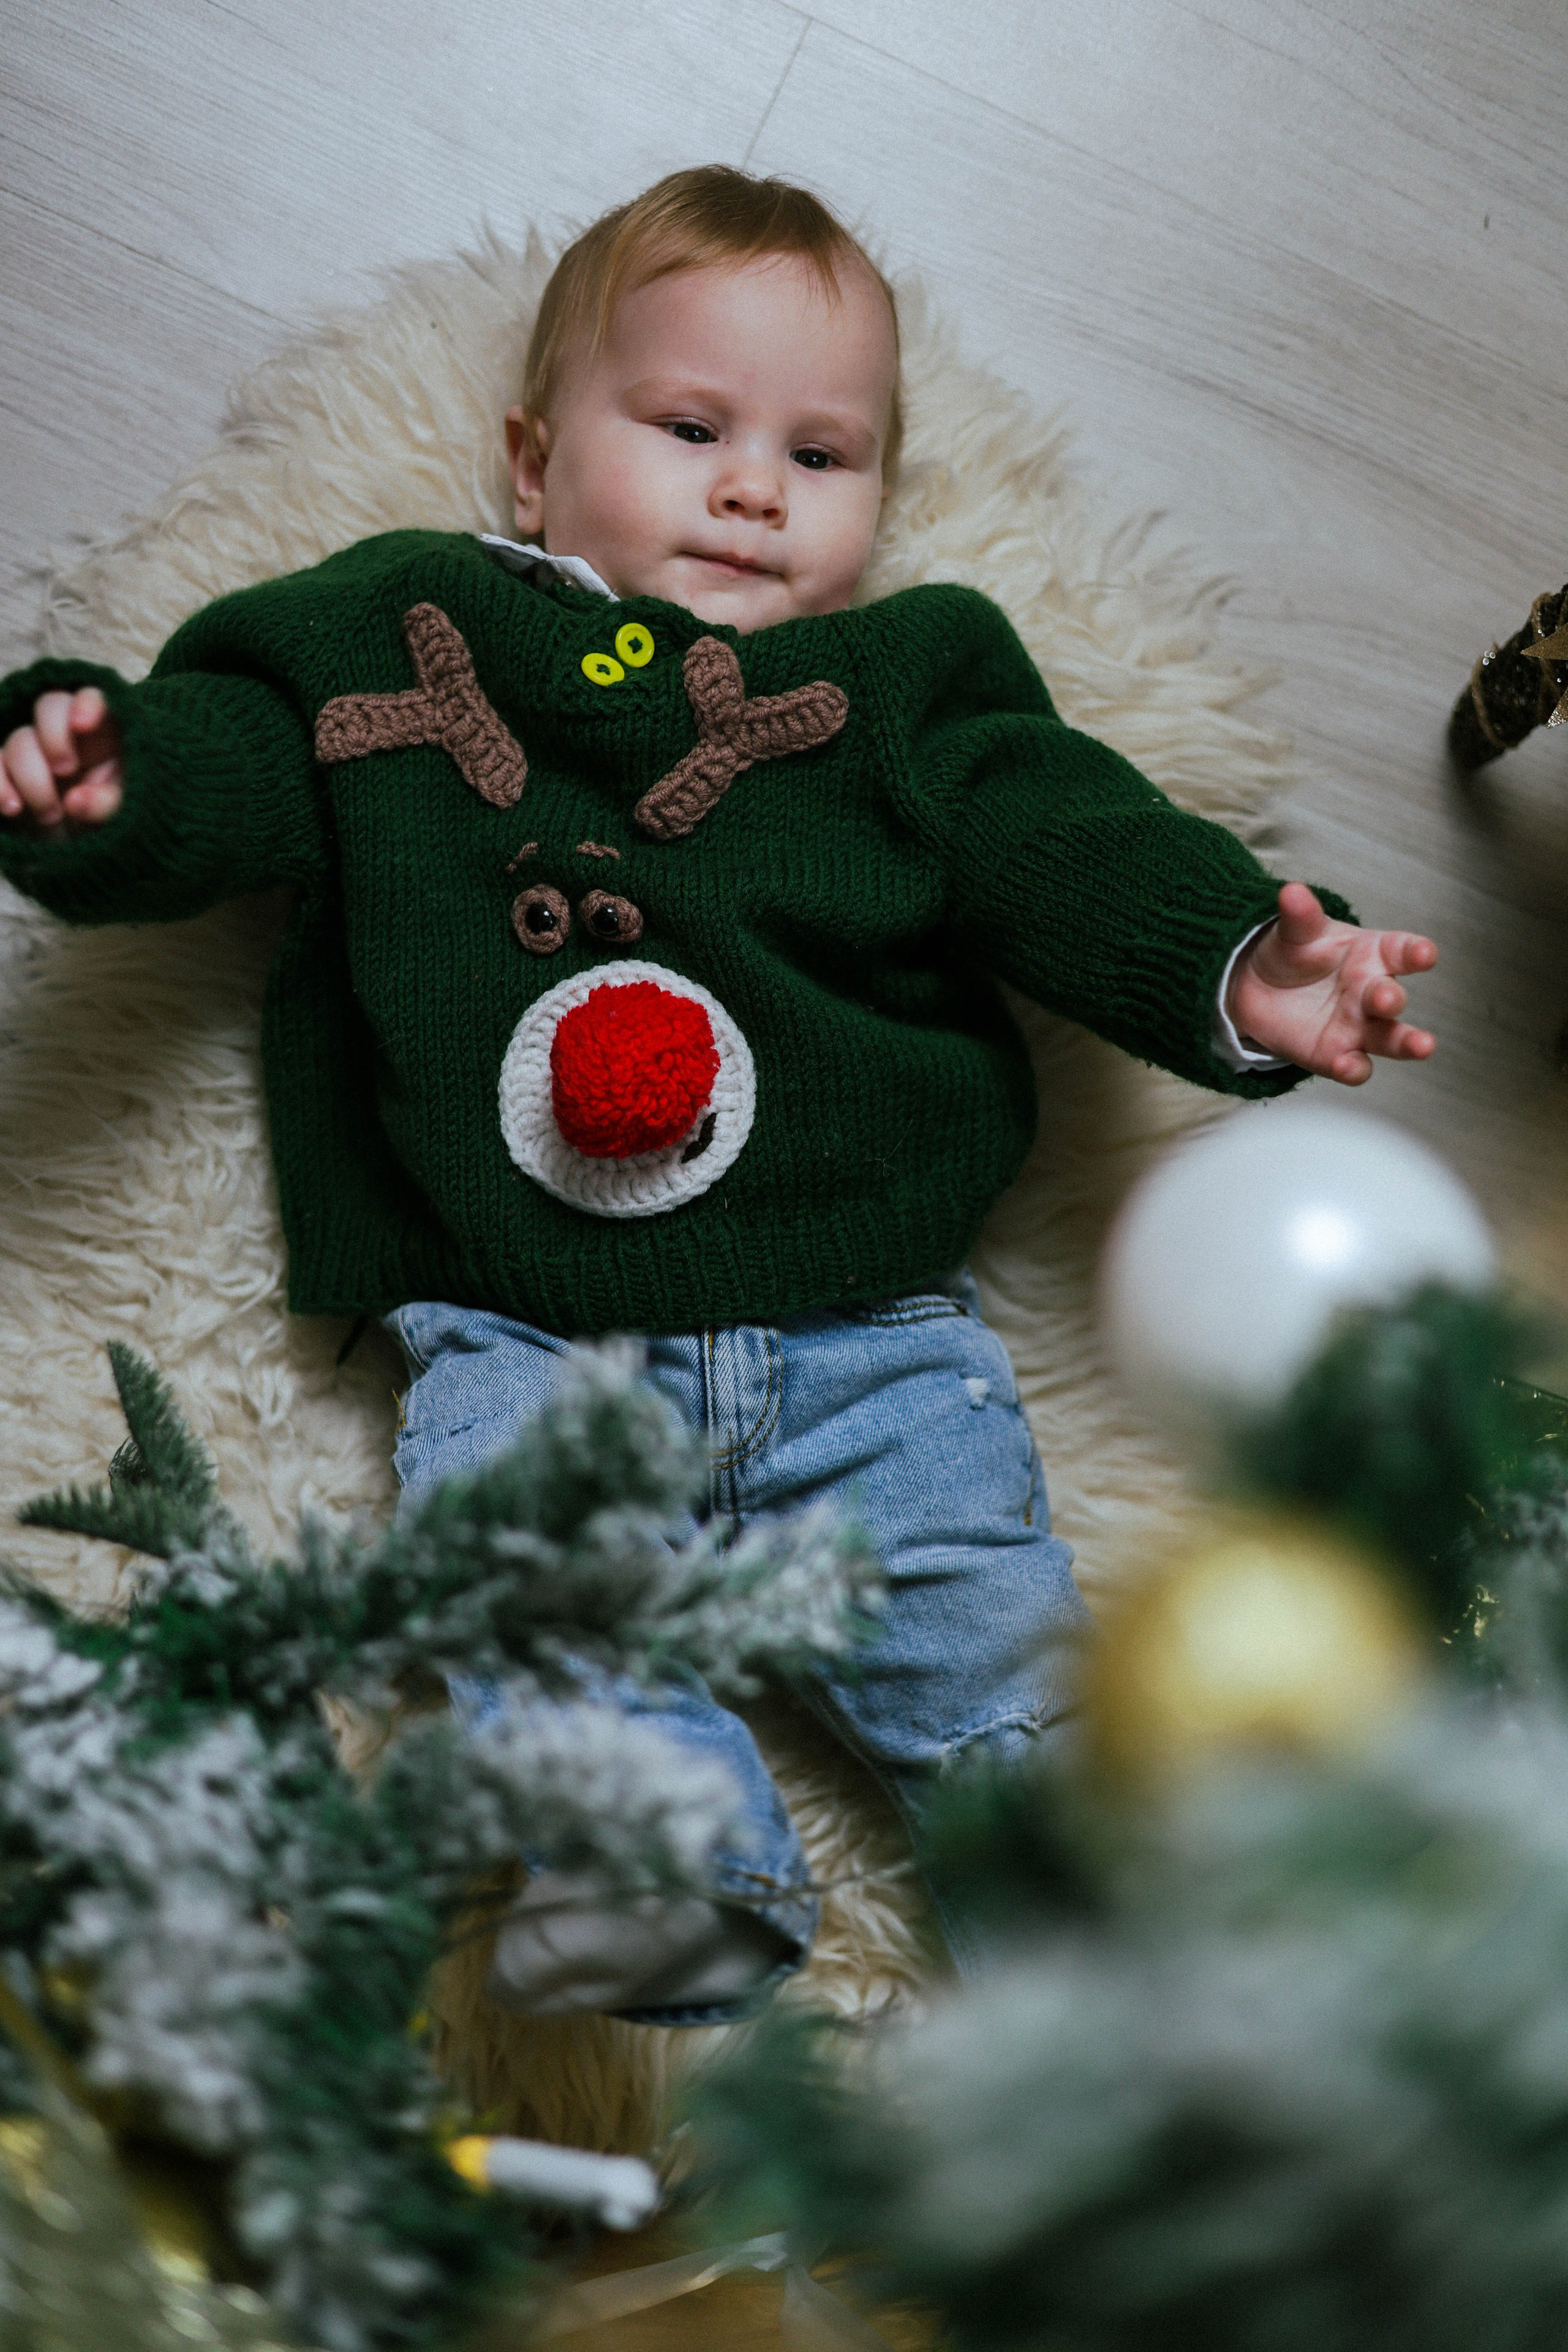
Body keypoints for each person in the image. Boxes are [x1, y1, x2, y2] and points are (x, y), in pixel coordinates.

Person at [0, 167, 1436, 2024]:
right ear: (534, 466)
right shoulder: (402, 637)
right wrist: (103, 782)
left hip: (876, 1350)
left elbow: (1063, 841)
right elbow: (237, 755)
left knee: (999, 1648)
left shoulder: (902, 690)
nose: (755, 486)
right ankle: (656, 1859)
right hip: (526, 1344)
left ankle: (1126, 1980)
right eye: (690, 429)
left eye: (822, 455)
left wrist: (1239, 964)